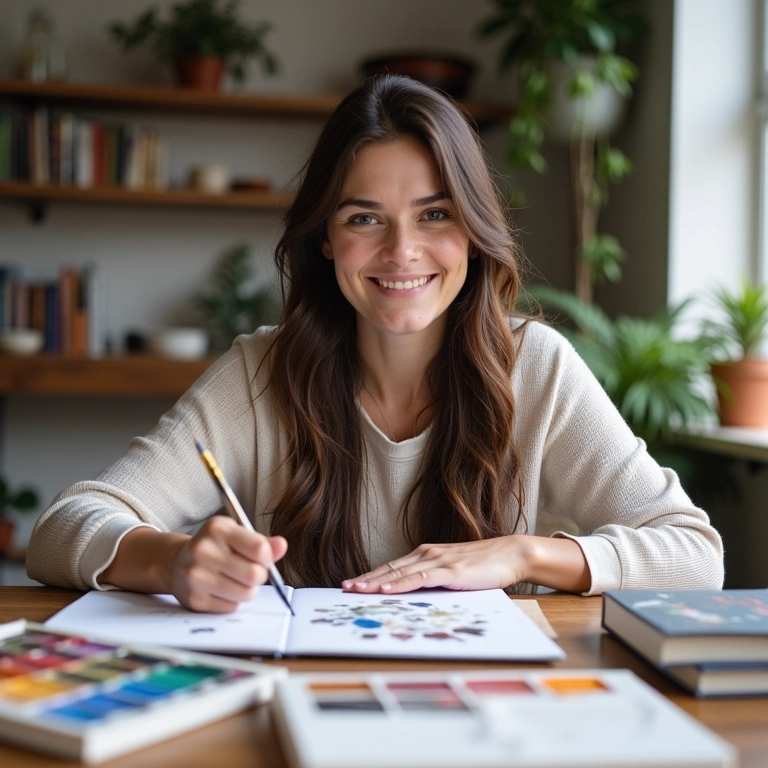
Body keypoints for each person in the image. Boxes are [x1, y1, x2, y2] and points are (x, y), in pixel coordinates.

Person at [27, 75, 724, 613]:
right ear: (326, 238)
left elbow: (694, 555)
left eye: (435, 215)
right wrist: (172, 561)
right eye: (366, 218)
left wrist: (521, 555)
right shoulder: (259, 373)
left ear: (474, 233)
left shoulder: (535, 368)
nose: (402, 252)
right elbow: (64, 526)